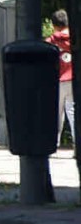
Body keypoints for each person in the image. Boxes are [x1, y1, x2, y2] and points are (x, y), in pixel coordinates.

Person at [45, 10, 74, 147]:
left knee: (56, 115)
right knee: (73, 113)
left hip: (57, 81)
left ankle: (53, 144)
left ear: (54, 24)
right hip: (73, 80)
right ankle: (77, 143)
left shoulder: (51, 41)